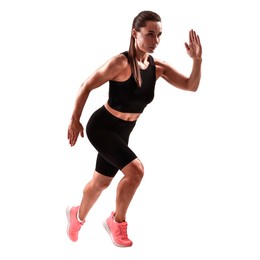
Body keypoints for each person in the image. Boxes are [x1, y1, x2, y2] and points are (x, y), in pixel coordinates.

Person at [66, 10, 202, 247]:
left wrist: (197, 60)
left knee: (101, 183)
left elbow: (191, 86)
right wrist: (74, 119)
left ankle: (76, 216)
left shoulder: (158, 67)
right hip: (102, 127)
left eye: (159, 35)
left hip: (123, 133)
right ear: (134, 33)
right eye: (150, 34)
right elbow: (86, 85)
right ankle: (116, 222)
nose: (155, 40)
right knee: (136, 171)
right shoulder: (120, 63)